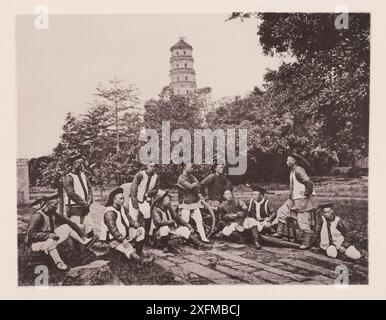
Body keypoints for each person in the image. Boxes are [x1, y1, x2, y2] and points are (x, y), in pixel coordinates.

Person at [25, 194, 96, 271]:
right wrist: (48, 235)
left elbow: (70, 223)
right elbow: (31, 234)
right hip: (35, 244)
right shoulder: (37, 216)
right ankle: (61, 265)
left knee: (66, 227)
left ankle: (84, 241)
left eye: (57, 204)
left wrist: (82, 235)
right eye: (55, 204)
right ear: (47, 204)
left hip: (49, 238)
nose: (57, 207)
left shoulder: (53, 213)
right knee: (50, 243)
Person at [272, 153, 318, 250]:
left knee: (303, 221)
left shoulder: (298, 170)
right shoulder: (292, 171)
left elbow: (309, 183)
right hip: (294, 198)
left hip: (302, 199)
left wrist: (305, 195)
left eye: (289, 160)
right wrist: (291, 197)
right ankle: (279, 233)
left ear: (294, 161)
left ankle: (306, 243)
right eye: (287, 160)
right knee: (281, 211)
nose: (287, 162)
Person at [99, 187, 152, 262]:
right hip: (113, 239)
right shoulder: (109, 213)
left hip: (124, 235)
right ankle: (140, 261)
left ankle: (139, 252)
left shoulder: (122, 208)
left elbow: (130, 220)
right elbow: (113, 230)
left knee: (141, 230)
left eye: (123, 198)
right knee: (128, 250)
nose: (123, 200)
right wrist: (122, 240)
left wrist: (138, 226)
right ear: (114, 199)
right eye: (120, 199)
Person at [176, 163, 210, 243]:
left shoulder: (191, 176)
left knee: (199, 220)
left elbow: (198, 185)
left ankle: (203, 237)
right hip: (185, 202)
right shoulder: (181, 178)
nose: (192, 169)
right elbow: (190, 187)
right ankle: (183, 237)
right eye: (191, 167)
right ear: (185, 167)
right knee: (185, 221)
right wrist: (193, 186)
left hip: (194, 202)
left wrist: (193, 186)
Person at [63, 154, 95, 238]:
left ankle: (91, 246)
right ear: (74, 164)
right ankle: (78, 249)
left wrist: (90, 200)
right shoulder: (68, 177)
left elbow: (89, 189)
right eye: (79, 163)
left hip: (85, 207)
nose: (81, 165)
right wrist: (82, 202)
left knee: (89, 227)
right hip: (74, 207)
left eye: (82, 164)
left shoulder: (84, 176)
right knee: (76, 229)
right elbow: (70, 193)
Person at [130, 164, 160, 237]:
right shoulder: (140, 174)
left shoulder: (156, 177)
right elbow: (133, 188)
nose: (152, 168)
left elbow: (156, 190)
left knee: (148, 215)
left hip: (145, 200)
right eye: (151, 166)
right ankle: (132, 237)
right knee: (133, 218)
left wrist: (149, 193)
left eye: (154, 167)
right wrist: (135, 202)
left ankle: (146, 235)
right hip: (136, 198)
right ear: (147, 166)